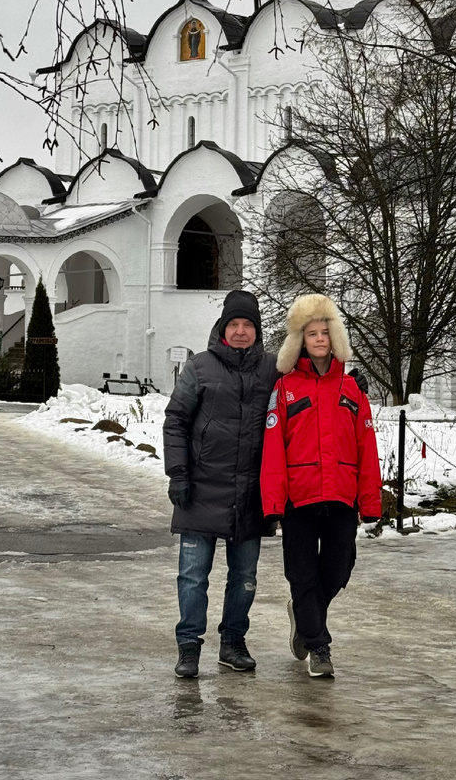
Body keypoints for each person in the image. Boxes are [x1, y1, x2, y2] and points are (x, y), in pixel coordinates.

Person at [260, 293, 382, 678]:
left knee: (337, 569)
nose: (318, 339)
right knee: (301, 573)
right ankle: (319, 646)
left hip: (342, 498)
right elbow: (273, 451)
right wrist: (273, 504)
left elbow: (367, 448)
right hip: (300, 498)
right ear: (300, 339)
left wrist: (372, 503)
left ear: (335, 337)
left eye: (324, 332)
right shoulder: (285, 390)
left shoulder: (352, 390)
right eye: (311, 333)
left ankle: (303, 613)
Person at [163, 290, 278, 678]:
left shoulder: (273, 369)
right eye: (235, 324)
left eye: (248, 325)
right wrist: (178, 474)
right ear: (223, 328)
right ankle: (189, 646)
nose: (242, 331)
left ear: (257, 331)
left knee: (244, 576)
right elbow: (176, 421)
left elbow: (314, 375)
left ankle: (232, 642)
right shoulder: (200, 367)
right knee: (193, 576)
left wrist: (348, 377)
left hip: (250, 494)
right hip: (199, 490)